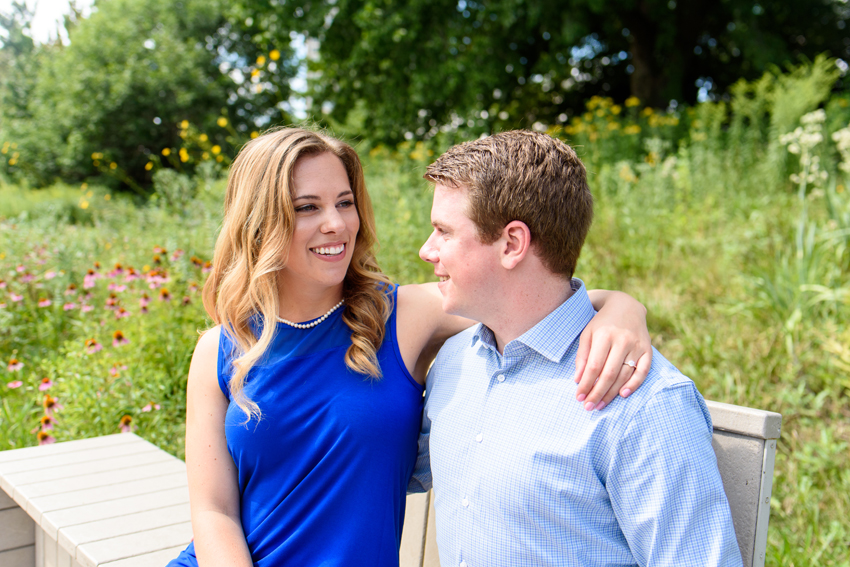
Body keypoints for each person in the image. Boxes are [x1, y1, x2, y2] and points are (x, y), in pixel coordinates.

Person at [167, 128, 653, 567]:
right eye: (306, 207)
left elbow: (537, 297)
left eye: (345, 202)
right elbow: (213, 512)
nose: (337, 223)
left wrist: (623, 309)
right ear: (260, 223)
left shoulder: (401, 316)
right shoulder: (219, 350)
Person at [410, 130, 743, 567]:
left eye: (443, 231)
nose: (425, 250)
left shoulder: (643, 403)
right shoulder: (454, 362)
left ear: (512, 244)